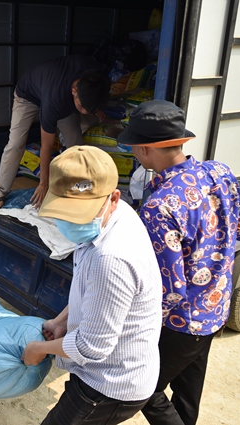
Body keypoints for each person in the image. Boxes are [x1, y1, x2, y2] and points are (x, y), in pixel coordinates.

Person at [117, 100, 240, 425]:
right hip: (215, 309)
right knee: (188, 392)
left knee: (144, 389)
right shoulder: (220, 171)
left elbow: (171, 289)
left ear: (145, 149)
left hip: (182, 322)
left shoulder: (160, 207)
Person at [21, 145, 163, 424]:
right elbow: (95, 294)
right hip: (108, 371)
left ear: (113, 198)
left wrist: (39, 349)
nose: (73, 222)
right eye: (65, 211)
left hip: (109, 384)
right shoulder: (117, 215)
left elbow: (91, 347)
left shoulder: (111, 259)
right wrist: (62, 321)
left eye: (83, 212)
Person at [0, 55, 110, 210]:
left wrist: (96, 108)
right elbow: (46, 146)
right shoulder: (54, 100)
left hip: (58, 95)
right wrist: (43, 184)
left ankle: (80, 190)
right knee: (16, 144)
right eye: (82, 107)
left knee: (76, 145)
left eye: (89, 109)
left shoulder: (97, 77)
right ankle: (0, 193)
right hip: (27, 96)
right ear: (74, 91)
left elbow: (92, 98)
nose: (84, 112)